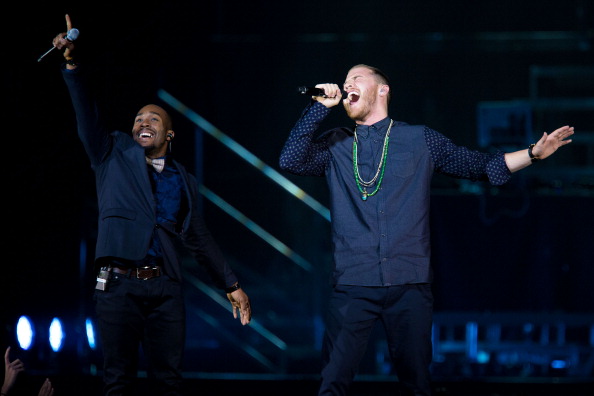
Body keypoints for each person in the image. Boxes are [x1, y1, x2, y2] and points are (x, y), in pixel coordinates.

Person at [279, 64, 574, 396]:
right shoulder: (336, 144)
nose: (347, 86)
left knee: (417, 384)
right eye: (344, 83)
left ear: (382, 89)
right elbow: (291, 160)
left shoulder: (419, 139)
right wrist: (319, 107)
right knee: (333, 382)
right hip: (353, 283)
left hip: (409, 283)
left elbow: (479, 166)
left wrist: (533, 154)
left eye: (355, 79)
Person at [51, 14, 252, 396]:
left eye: (153, 118)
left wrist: (232, 284)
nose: (143, 121)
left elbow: (197, 235)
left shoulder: (184, 179)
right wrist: (73, 64)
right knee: (118, 381)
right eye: (139, 118)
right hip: (116, 285)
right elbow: (85, 114)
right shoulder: (111, 152)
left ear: (168, 134)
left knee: (170, 382)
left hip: (165, 288)